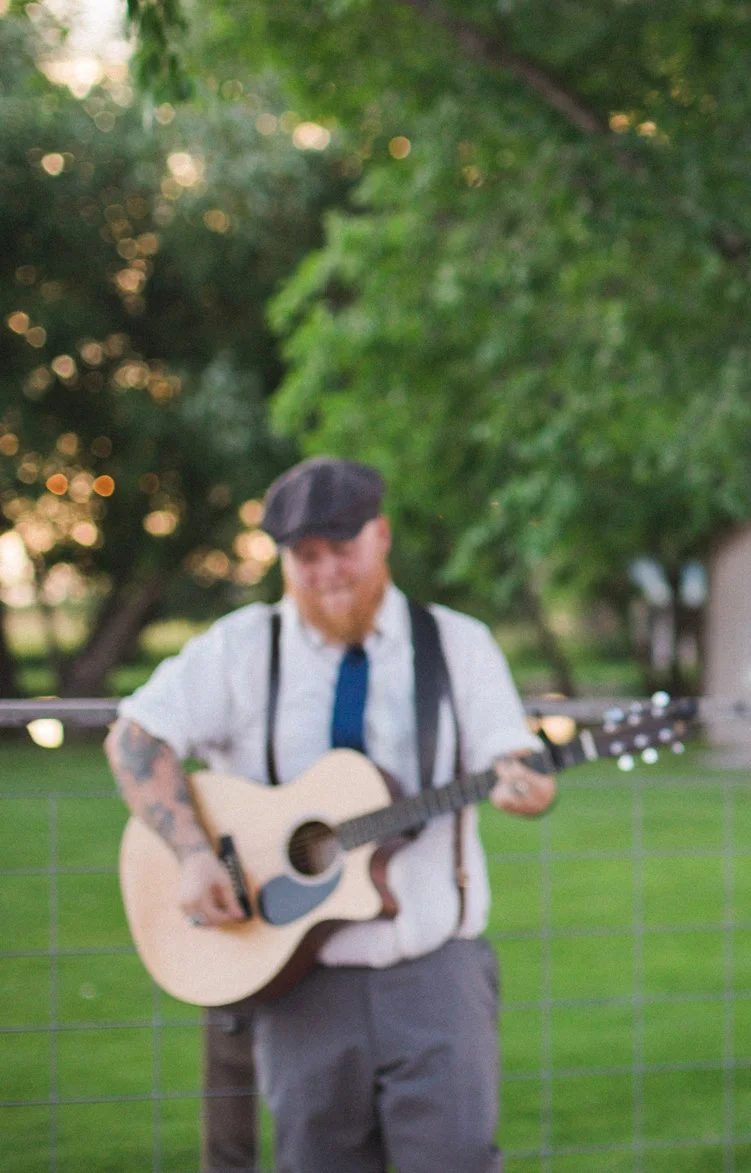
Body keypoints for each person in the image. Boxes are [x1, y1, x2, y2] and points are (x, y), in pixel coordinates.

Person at [105, 457, 554, 1173]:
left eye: (341, 548)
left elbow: (512, 753)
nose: (325, 572)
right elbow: (135, 735)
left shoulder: (456, 644)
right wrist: (191, 851)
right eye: (304, 556)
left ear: (381, 535)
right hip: (297, 985)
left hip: (434, 970)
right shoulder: (240, 647)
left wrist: (527, 784)